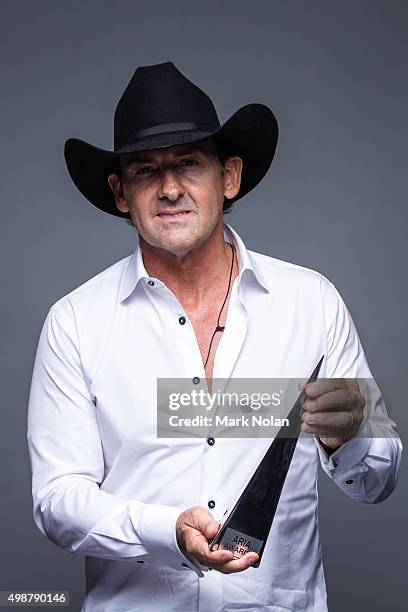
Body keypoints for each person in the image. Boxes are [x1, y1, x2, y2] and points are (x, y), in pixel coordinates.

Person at [27, 61, 402, 612]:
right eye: (145, 171)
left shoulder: (311, 303)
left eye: (187, 163)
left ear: (228, 177)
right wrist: (165, 530)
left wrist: (349, 437)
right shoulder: (74, 323)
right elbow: (57, 501)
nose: (170, 187)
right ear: (120, 193)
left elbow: (378, 480)